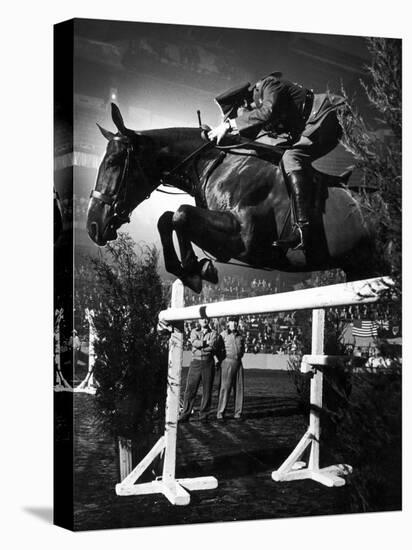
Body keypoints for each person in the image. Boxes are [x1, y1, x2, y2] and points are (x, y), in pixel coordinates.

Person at [208, 72, 345, 251]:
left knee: (291, 157)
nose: (237, 120)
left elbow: (266, 112)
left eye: (235, 115)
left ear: (243, 103)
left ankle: (303, 229)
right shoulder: (256, 113)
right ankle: (335, 184)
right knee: (287, 159)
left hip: (329, 111)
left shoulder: (268, 85)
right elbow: (252, 137)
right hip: (314, 123)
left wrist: (228, 125)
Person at [179, 318, 218, 423]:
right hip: (195, 363)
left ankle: (204, 415)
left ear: (209, 320)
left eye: (206, 319)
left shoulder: (214, 333)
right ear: (198, 321)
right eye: (202, 319)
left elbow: (212, 346)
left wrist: (200, 345)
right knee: (190, 389)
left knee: (207, 390)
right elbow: (194, 343)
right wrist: (205, 343)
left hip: (208, 363)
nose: (204, 320)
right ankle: (185, 413)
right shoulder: (193, 331)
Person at [216, 316, 245, 421]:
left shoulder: (240, 336)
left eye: (236, 321)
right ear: (228, 323)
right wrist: (221, 361)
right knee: (225, 388)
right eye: (233, 321)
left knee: (239, 388)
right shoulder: (223, 335)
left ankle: (238, 413)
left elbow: (243, 349)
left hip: (238, 363)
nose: (235, 324)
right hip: (227, 362)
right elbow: (217, 349)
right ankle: (220, 413)